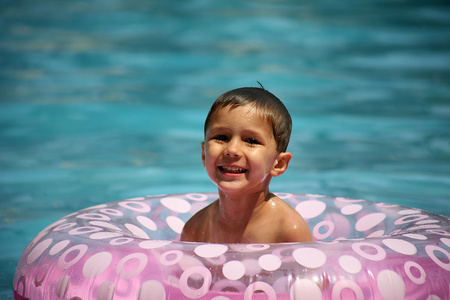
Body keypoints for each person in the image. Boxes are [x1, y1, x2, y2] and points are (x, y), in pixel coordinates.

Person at [180, 86, 313, 243]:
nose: (232, 150)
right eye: (222, 137)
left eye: (251, 141)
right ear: (204, 154)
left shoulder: (288, 230)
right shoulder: (195, 230)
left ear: (278, 164)